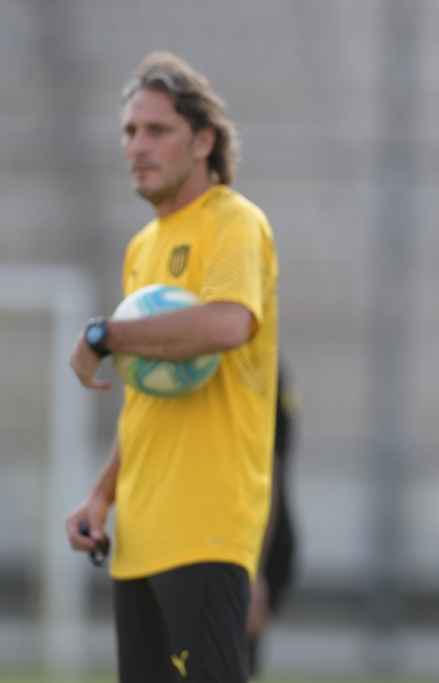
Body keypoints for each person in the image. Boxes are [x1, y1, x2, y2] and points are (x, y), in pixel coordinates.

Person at [65, 52, 279, 683]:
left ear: (203, 139)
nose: (137, 145)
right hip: (135, 537)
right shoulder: (142, 247)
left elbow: (226, 324)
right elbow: (143, 399)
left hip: (207, 529)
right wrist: (102, 495)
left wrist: (105, 334)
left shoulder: (234, 221)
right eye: (130, 132)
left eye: (157, 130)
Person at [247, 364, 299, 677]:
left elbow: (270, 469)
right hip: (261, 539)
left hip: (255, 543)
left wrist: (254, 572)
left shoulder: (261, 371)